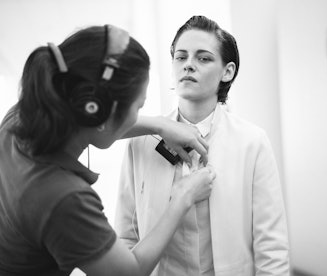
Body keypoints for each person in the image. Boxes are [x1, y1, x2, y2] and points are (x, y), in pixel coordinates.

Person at [0, 24, 216, 276]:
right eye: (137, 107)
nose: (137, 116)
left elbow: (91, 122)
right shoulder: (64, 198)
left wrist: (159, 124)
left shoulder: (20, 118)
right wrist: (182, 198)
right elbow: (128, 273)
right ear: (100, 114)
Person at [115, 15, 290, 276]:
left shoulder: (252, 142)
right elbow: (126, 234)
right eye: (181, 57)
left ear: (227, 71)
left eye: (203, 58)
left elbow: (271, 246)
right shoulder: (142, 141)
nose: (188, 65)